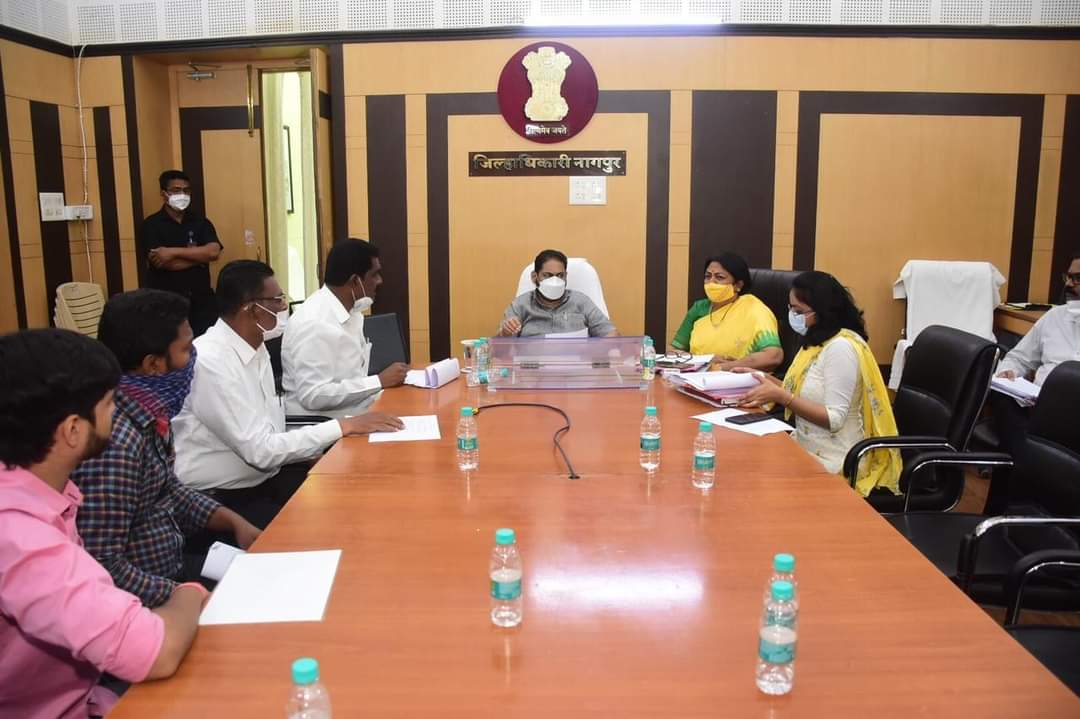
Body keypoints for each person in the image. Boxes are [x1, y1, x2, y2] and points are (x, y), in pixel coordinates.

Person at [0, 329, 205, 717]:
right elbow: (156, 653)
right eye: (110, 404)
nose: (118, 414)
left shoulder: (42, 493)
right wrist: (190, 593)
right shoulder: (20, 537)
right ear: (73, 430)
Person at [172, 260, 404, 528]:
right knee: (333, 524)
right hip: (218, 501)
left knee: (357, 494)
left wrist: (307, 452)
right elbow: (259, 451)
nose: (284, 307)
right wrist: (343, 426)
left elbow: (268, 427)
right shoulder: (211, 362)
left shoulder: (254, 345)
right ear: (252, 309)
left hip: (264, 478)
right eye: (277, 300)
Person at [71, 289, 262, 608]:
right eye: (186, 349)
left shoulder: (149, 410)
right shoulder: (115, 443)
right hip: (148, 598)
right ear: (153, 364)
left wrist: (232, 522)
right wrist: (186, 597)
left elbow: (169, 489)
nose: (194, 357)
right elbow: (102, 567)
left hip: (174, 569)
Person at [738, 271, 901, 497]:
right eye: (790, 309)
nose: (792, 316)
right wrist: (760, 377)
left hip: (836, 460)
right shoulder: (816, 342)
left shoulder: (841, 348)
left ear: (822, 311)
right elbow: (800, 390)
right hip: (805, 449)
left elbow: (834, 419)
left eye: (799, 311)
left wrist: (781, 396)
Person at [283, 239, 408, 419]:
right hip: (324, 423)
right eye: (374, 275)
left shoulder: (352, 310)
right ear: (355, 281)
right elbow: (313, 395)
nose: (380, 281)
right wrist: (378, 381)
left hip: (356, 411)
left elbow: (352, 378)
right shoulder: (314, 323)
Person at [991, 252, 1080, 457]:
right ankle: (1026, 459)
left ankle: (1026, 460)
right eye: (1068, 277)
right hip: (1037, 408)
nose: (1068, 284)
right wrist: (1008, 371)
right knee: (1002, 395)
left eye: (1077, 278)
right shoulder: (1054, 317)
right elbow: (1019, 358)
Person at [141, 170, 223, 336]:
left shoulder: (200, 221)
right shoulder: (151, 224)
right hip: (166, 303)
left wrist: (171, 251)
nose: (182, 194)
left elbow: (214, 252)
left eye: (186, 190)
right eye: (176, 190)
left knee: (204, 345)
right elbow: (164, 263)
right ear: (164, 194)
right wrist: (200, 258)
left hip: (201, 302)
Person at [670, 253, 783, 371]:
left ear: (738, 285)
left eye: (719, 277)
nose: (711, 282)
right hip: (695, 375)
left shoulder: (754, 310)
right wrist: (704, 360)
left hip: (737, 377)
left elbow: (773, 356)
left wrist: (722, 367)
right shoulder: (699, 308)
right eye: (708, 276)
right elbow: (672, 351)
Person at [498, 249, 617, 338]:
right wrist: (505, 333)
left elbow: (611, 334)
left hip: (575, 363)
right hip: (533, 363)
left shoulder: (581, 301)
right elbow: (499, 350)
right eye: (547, 275)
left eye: (560, 275)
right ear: (534, 277)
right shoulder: (520, 305)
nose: (555, 281)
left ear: (566, 276)